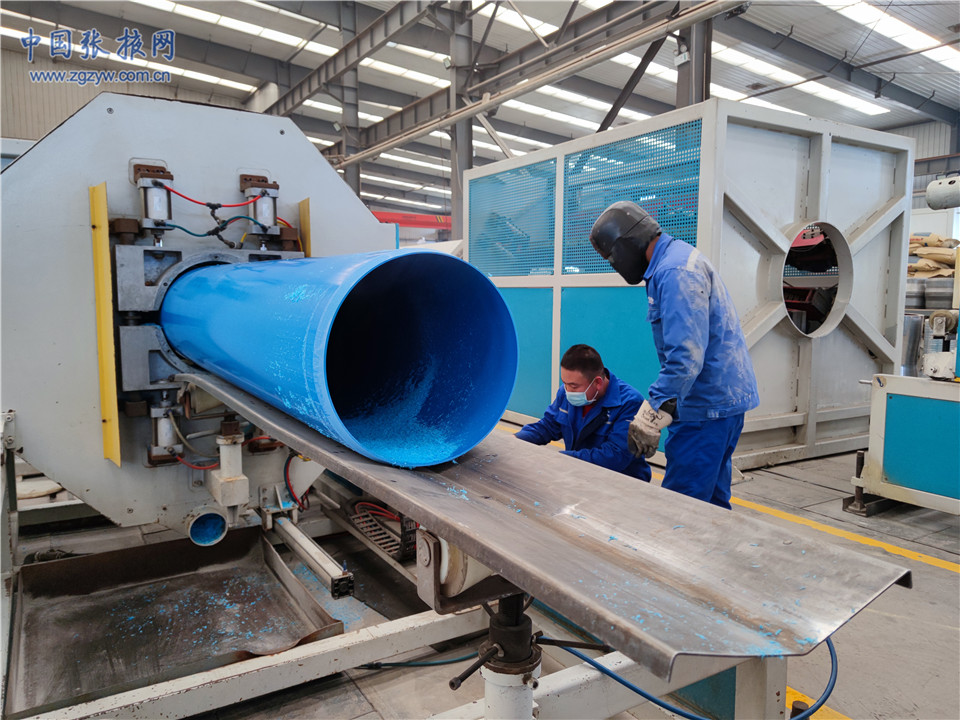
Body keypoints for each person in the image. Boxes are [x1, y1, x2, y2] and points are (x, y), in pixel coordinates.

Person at [588, 201, 759, 509]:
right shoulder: (678, 259)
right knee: (712, 504)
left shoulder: (674, 272)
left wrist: (651, 415)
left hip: (705, 410)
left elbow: (685, 358)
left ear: (626, 244)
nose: (614, 266)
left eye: (612, 258)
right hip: (721, 406)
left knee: (682, 508)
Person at [515, 344, 652, 482]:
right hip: (580, 473)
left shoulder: (630, 403)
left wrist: (560, 459)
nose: (567, 390)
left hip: (622, 482)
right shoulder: (566, 393)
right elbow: (548, 426)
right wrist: (515, 440)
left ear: (597, 382)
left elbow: (615, 455)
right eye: (565, 383)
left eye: (573, 386)